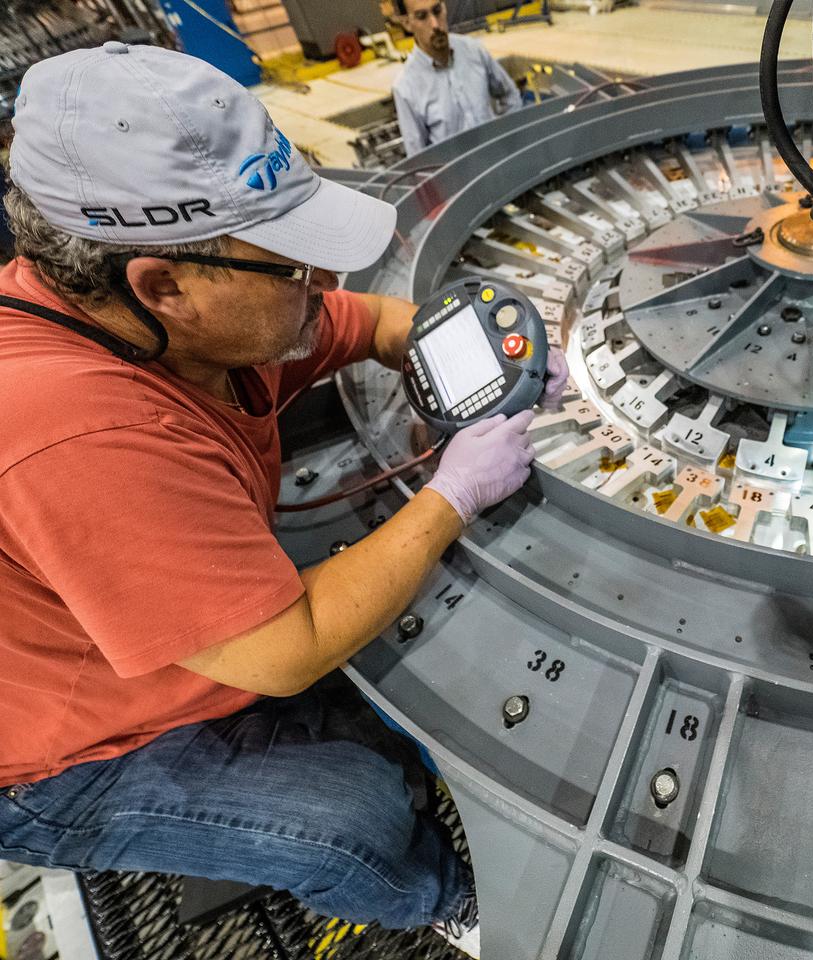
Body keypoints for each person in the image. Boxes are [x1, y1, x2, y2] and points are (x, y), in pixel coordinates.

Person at [0, 42, 566, 949]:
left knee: (374, 719)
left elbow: (376, 323)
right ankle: (438, 902)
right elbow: (284, 650)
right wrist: (453, 494)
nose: (324, 285)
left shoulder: (190, 324)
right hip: (61, 756)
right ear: (164, 286)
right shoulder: (82, 432)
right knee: (352, 820)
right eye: (294, 265)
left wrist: (482, 357)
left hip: (170, 635)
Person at [392, 0, 523, 156]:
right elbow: (418, 158)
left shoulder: (473, 50)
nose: (435, 24)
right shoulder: (406, 88)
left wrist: (510, 141)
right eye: (422, 16)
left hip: (498, 167)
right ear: (407, 23)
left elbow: (510, 95)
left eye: (437, 10)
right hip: (458, 178)